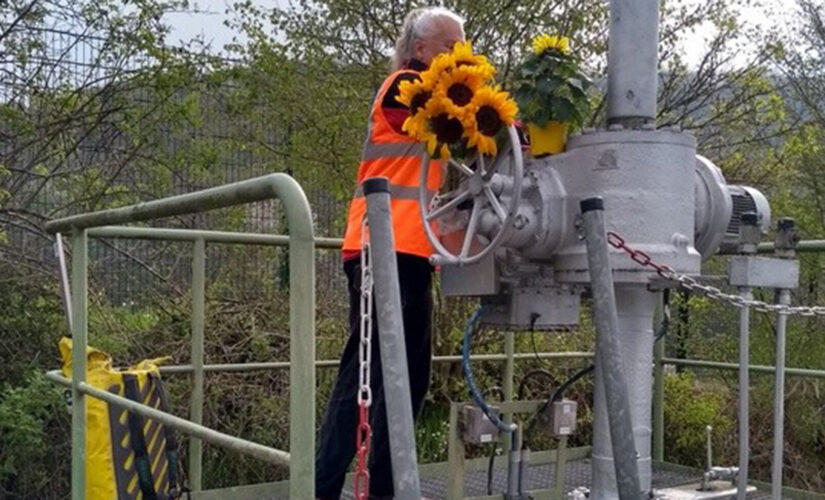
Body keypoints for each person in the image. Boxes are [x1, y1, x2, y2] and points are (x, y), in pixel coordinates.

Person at [315, 7, 465, 500]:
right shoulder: (405, 88)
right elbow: (447, 126)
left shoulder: (435, 97)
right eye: (449, 48)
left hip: (408, 252)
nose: (459, 58)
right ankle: (324, 485)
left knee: (406, 377)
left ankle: (381, 486)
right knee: (369, 371)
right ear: (420, 50)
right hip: (381, 247)